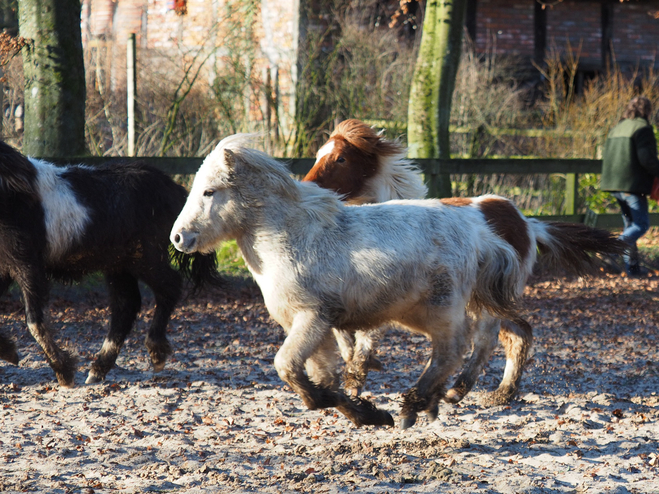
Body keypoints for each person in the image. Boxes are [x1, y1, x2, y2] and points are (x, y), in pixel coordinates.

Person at [601, 96, 659, 276]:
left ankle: (632, 269)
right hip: (631, 184)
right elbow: (647, 159)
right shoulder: (643, 128)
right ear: (647, 111)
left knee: (630, 226)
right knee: (641, 225)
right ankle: (610, 251)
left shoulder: (617, 128)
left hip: (613, 183)